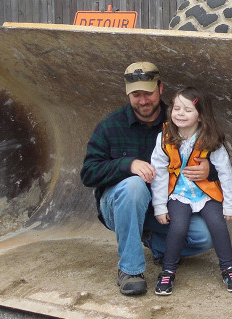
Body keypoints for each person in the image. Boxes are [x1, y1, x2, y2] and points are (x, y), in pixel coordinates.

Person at [80, 62, 217, 296]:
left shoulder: (179, 121)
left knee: (204, 236)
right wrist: (127, 165)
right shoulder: (110, 126)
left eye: (148, 93)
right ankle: (130, 270)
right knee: (134, 185)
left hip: (162, 207)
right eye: (136, 95)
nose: (143, 100)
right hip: (118, 205)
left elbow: (211, 159)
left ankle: (154, 242)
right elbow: (89, 173)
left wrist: (208, 171)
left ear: (160, 88)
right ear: (128, 94)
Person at [150, 87, 232, 295]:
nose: (180, 114)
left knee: (218, 225)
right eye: (176, 108)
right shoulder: (164, 137)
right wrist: (160, 205)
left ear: (200, 116)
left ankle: (228, 268)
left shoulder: (211, 138)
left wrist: (230, 204)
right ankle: (168, 270)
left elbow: (225, 171)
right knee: (178, 227)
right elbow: (160, 173)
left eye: (187, 110)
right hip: (179, 194)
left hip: (205, 193)